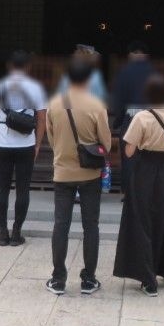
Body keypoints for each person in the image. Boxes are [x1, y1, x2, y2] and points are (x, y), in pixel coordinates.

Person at [113, 73, 164, 296]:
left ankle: (148, 279)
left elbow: (129, 151)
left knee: (142, 221)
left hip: (145, 170)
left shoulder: (142, 118)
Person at [45, 58, 112, 296]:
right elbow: (106, 143)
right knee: (90, 225)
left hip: (62, 172)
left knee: (60, 225)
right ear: (88, 79)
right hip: (90, 173)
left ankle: (58, 279)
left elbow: (51, 139)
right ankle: (89, 279)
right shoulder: (96, 105)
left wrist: (64, 154)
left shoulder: (54, 103)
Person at [0, 51, 47, 247]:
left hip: (3, 143)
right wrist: (38, 144)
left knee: (2, 188)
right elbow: (42, 119)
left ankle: (3, 232)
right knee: (23, 189)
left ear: (10, 66)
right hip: (26, 144)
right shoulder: (36, 88)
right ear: (28, 67)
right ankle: (16, 232)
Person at [109, 40, 153, 195]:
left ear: (131, 55)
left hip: (131, 118)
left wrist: (118, 120)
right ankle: (147, 191)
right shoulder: (154, 72)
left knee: (129, 156)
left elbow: (120, 99)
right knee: (149, 156)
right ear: (146, 55)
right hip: (151, 119)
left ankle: (129, 193)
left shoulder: (125, 72)